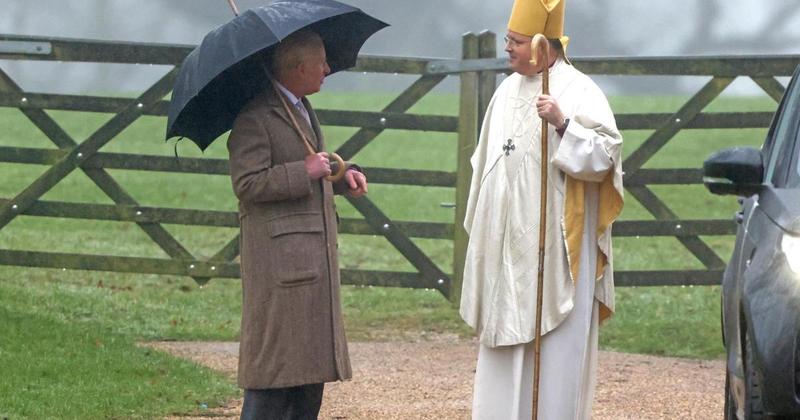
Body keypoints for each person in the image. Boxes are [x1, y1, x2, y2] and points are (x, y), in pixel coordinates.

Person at [459, 0, 624, 418]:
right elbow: (486, 164)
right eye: (506, 40)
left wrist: (564, 124)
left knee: (554, 360)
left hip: (558, 252)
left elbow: (606, 157)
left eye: (514, 42)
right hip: (505, 248)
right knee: (504, 355)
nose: (507, 49)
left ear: (540, 43)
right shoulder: (504, 91)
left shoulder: (580, 90)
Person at [226, 29, 368, 420]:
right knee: (274, 377)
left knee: (309, 377)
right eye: (320, 63)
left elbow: (314, 168)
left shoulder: (300, 106)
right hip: (279, 267)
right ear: (298, 67)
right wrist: (301, 170)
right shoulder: (255, 117)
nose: (327, 69)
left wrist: (342, 175)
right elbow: (247, 184)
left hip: (310, 263)